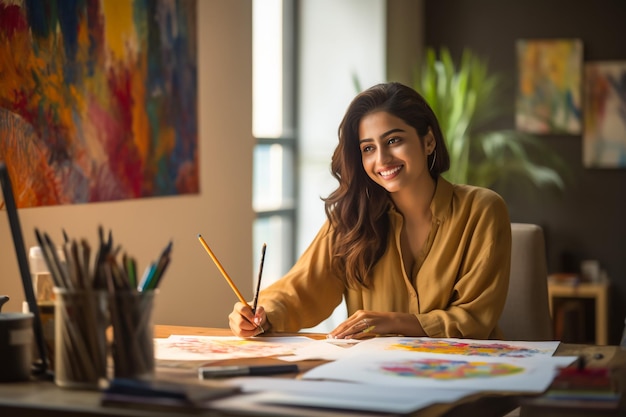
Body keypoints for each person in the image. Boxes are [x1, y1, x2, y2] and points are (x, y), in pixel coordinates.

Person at [229, 82, 511, 340]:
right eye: (368, 148)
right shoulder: (351, 219)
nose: (382, 159)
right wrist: (260, 315)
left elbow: (473, 319)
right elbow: (298, 292)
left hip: (465, 376)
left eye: (393, 141)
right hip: (378, 379)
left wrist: (393, 323)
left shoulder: (482, 210)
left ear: (428, 141)